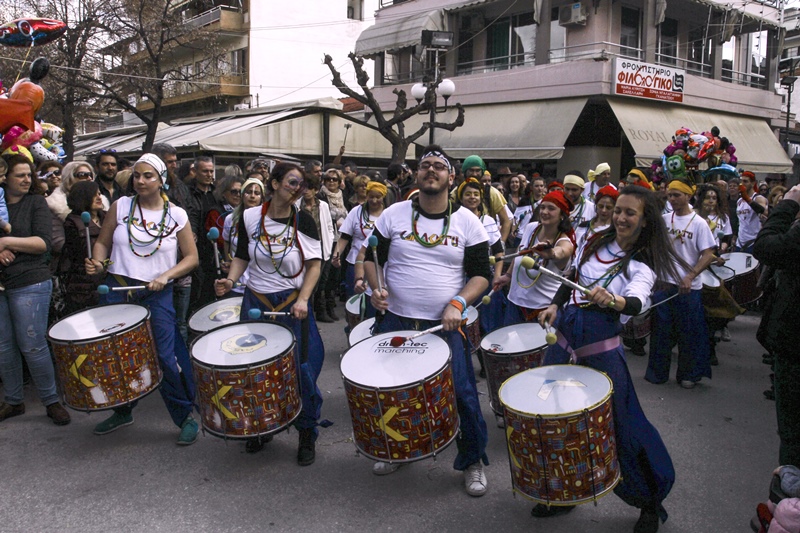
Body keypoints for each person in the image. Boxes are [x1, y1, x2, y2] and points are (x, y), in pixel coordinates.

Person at [536, 186, 681, 533]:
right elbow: (572, 276)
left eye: (630, 212)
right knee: (557, 422)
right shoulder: (597, 240)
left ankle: (649, 501)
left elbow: (636, 302)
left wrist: (614, 300)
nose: (620, 217)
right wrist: (556, 303)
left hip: (600, 355)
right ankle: (563, 492)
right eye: (618, 210)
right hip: (563, 342)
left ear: (645, 221)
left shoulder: (642, 263)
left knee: (622, 430)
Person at [365, 145, 491, 497]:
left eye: (439, 166)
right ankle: (398, 449)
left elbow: (482, 274)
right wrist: (376, 288)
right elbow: (371, 260)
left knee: (463, 394)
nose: (431, 170)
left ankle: (472, 459)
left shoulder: (468, 221)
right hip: (397, 321)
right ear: (416, 175)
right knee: (392, 391)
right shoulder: (392, 214)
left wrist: (457, 302)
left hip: (446, 326)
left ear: (451, 177)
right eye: (425, 166)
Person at [84, 153, 199, 444]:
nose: (141, 180)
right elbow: (102, 242)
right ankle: (123, 411)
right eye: (137, 175)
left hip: (156, 294)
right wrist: (98, 263)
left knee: (164, 357)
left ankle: (185, 416)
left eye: (148, 175)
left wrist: (166, 276)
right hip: (118, 290)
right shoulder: (120, 206)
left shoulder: (176, 214)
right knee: (115, 356)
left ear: (162, 180)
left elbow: (192, 258)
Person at [215, 163, 325, 464]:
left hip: (293, 305)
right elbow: (240, 257)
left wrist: (303, 300)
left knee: (301, 370)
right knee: (255, 370)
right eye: (291, 182)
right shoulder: (250, 216)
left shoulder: (303, 220)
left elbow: (315, 265)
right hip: (256, 302)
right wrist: (231, 281)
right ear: (274, 183)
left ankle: (306, 431)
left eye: (301, 184)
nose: (297, 189)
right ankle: (262, 426)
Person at [0, 154, 71, 426]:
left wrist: (7, 242)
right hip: (2, 283)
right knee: (4, 346)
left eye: (29, 175)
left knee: (32, 345)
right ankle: (13, 400)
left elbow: (42, 242)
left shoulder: (35, 203)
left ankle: (51, 401)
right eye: (20, 175)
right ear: (4, 177)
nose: (27, 179)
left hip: (30, 281)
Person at [646, 180, 717, 389]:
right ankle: (657, 373)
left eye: (677, 195)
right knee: (660, 332)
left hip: (688, 288)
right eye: (669, 195)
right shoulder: (664, 220)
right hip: (664, 284)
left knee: (689, 332)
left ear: (688, 196)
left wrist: (690, 276)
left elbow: (708, 253)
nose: (672, 199)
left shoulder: (699, 223)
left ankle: (689, 374)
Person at [753, 185, 800, 468]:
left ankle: (788, 503)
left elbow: (768, 248)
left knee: (793, 436)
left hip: (794, 343)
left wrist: (788, 205)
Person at [497, 188, 575, 326]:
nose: (544, 212)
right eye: (543, 207)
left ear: (562, 215)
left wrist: (550, 253)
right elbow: (519, 252)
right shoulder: (531, 227)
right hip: (515, 303)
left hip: (543, 309)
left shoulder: (564, 241)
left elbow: (562, 251)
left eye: (551, 208)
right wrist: (508, 275)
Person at [333, 180, 386, 302]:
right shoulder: (357, 211)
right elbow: (345, 237)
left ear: (383, 197)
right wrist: (336, 255)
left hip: (379, 265)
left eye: (378, 197)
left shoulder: (388, 214)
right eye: (371, 197)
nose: (374, 200)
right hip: (355, 262)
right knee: (354, 303)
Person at [60, 180, 106, 316]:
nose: (99, 197)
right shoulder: (73, 222)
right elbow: (79, 253)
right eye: (94, 194)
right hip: (83, 284)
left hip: (107, 278)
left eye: (99, 194)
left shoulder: (108, 216)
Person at [297, 172, 335, 323]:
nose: (306, 191)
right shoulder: (296, 205)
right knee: (305, 286)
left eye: (310, 188)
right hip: (303, 251)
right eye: (303, 188)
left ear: (316, 190)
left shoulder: (323, 206)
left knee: (319, 284)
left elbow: (329, 227)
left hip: (321, 250)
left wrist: (329, 242)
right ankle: (306, 316)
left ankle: (315, 314)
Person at [222, 176, 265, 294]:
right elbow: (226, 240)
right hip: (236, 282)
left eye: (257, 193)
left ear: (262, 198)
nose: (252, 196)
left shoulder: (267, 221)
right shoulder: (230, 219)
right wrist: (228, 260)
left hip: (258, 283)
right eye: (248, 192)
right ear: (242, 195)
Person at [459, 155, 512, 243]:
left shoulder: (492, 192)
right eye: (471, 170)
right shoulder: (456, 192)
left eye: (477, 170)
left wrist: (500, 244)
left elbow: (506, 221)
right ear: (465, 172)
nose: (474, 174)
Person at [574, 185, 618, 251]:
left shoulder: (616, 231)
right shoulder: (584, 227)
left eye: (608, 207)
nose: (604, 210)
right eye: (600, 206)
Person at [736, 171, 768, 253]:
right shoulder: (739, 201)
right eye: (741, 181)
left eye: (745, 181)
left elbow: (764, 211)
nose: (742, 184)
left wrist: (747, 198)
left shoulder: (758, 198)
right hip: (740, 242)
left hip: (753, 241)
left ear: (753, 183)